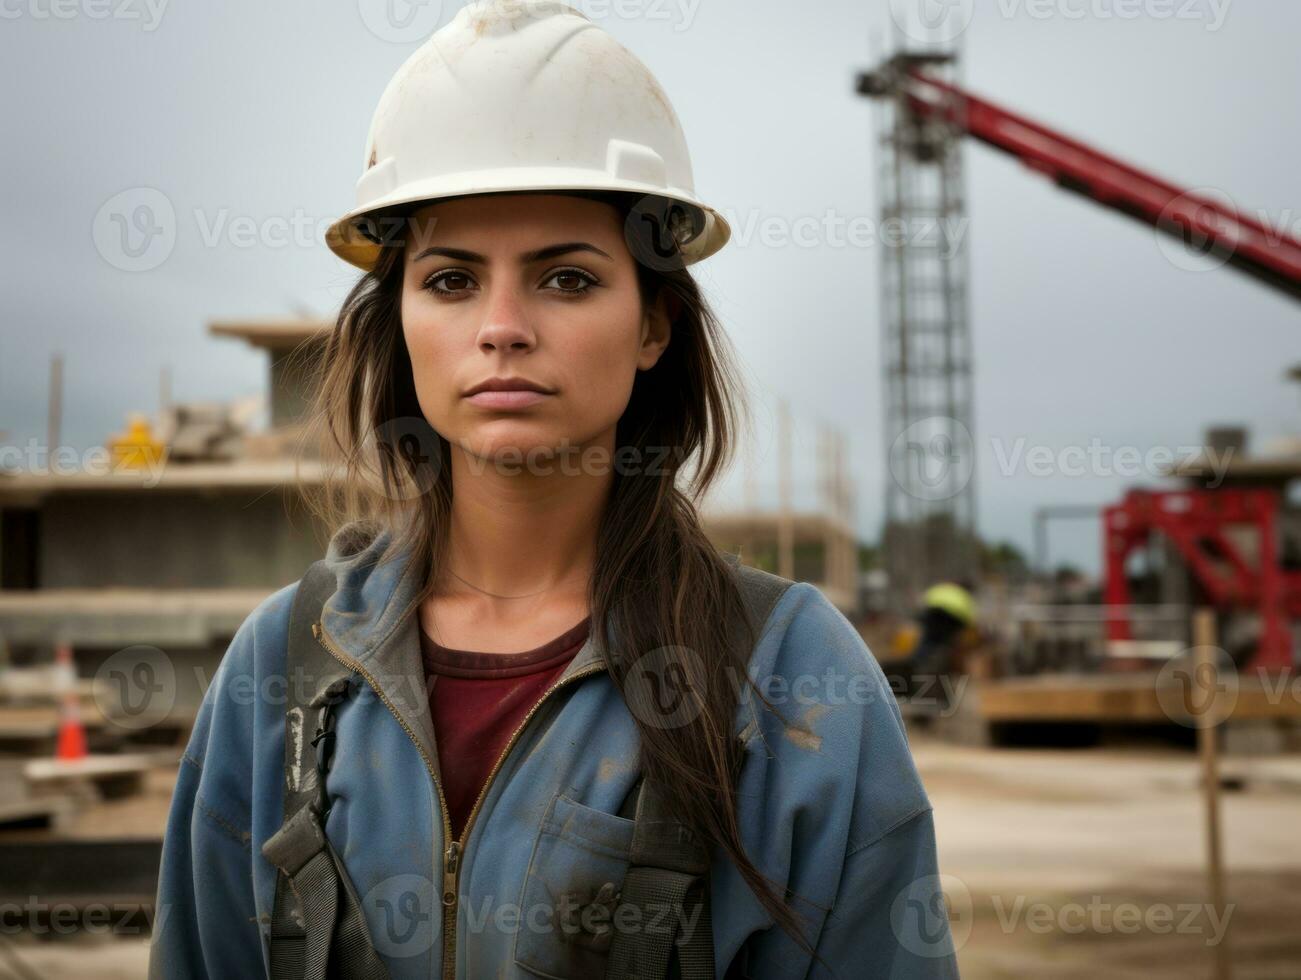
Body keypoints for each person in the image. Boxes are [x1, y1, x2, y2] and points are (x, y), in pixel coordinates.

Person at [149, 2, 959, 977]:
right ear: (399, 321)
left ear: (653, 324)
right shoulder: (281, 665)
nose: (500, 326)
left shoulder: (785, 674)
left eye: (566, 279)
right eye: (449, 280)